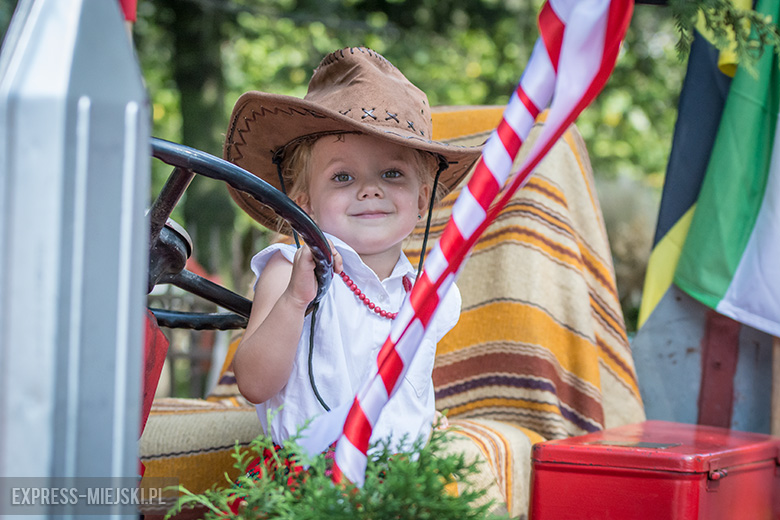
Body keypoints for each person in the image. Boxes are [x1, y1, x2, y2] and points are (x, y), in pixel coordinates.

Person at [223, 47, 482, 456]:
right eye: (342, 176)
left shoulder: (427, 292)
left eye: (392, 173)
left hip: (400, 475)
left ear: (422, 200)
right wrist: (295, 301)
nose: (370, 189)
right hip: (311, 476)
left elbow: (405, 380)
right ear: (304, 202)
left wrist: (416, 417)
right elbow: (254, 384)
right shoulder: (289, 271)